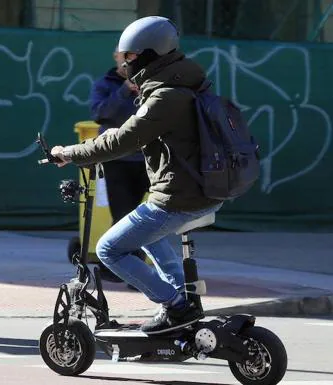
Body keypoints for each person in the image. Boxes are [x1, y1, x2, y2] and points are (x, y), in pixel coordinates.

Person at [50, 16, 223, 335]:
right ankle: (180, 300)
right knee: (147, 235)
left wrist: (70, 153)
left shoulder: (164, 96)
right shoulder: (189, 84)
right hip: (204, 192)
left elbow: (121, 141)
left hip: (179, 197)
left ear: (148, 55)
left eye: (129, 56)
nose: (125, 63)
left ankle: (175, 306)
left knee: (109, 249)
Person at [90, 48, 150, 284]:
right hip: (118, 160)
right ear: (116, 57)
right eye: (123, 56)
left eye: (131, 57)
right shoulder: (105, 84)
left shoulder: (150, 83)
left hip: (148, 159)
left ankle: (137, 270)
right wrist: (125, 91)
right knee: (124, 216)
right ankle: (126, 270)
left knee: (152, 216)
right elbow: (100, 113)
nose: (127, 62)